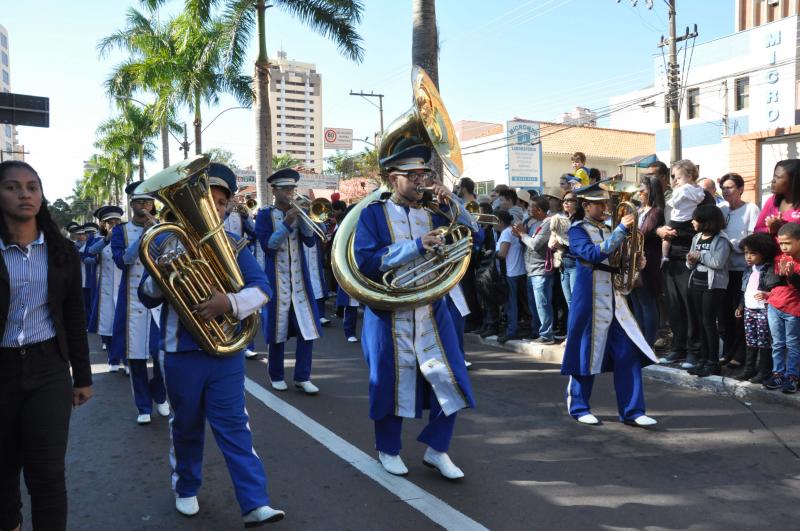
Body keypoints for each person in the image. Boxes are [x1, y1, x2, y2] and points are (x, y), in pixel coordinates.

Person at [138, 161, 284, 525]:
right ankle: (186, 487)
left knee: (235, 427)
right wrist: (165, 273)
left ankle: (255, 502)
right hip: (181, 354)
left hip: (225, 353)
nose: (214, 209)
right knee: (186, 426)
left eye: (220, 203)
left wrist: (228, 304)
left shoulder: (234, 244)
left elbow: (262, 289)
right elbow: (147, 296)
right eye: (210, 200)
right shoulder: (164, 242)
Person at [352, 144, 477, 479]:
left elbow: (472, 233)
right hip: (388, 310)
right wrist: (416, 246)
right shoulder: (373, 214)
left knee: (451, 378)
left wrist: (452, 202)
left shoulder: (436, 212)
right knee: (389, 382)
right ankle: (388, 449)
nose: (422, 180)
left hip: (433, 309)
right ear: (395, 179)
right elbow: (367, 261)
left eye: (424, 174)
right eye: (414, 176)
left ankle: (438, 450)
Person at [0, 160, 93, 531]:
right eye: (12, 187)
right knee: (3, 474)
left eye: (32, 186)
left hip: (48, 369)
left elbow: (73, 315)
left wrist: (82, 377)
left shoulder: (61, 251)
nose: (24, 193)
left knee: (48, 474)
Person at [561, 187, 658, 427]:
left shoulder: (607, 229)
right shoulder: (577, 230)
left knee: (628, 354)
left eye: (606, 203)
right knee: (585, 352)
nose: (605, 208)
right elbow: (594, 254)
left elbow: (617, 260)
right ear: (586, 206)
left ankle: (633, 412)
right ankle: (579, 406)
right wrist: (621, 230)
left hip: (615, 300)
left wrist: (635, 261)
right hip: (590, 300)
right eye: (600, 204)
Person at [255, 168, 321, 395]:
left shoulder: (299, 212)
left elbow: (311, 242)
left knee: (307, 329)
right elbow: (268, 246)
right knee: (277, 330)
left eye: (292, 188)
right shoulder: (265, 215)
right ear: (274, 191)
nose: (289, 193)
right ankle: (276, 374)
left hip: (300, 280)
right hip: (276, 279)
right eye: (284, 189)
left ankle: (303, 376)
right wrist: (286, 222)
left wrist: (302, 218)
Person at [110, 182, 169, 424]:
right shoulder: (120, 231)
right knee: (135, 356)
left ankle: (161, 394)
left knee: (161, 352)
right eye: (140, 203)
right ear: (132, 205)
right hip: (132, 300)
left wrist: (158, 231)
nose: (145, 207)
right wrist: (144, 234)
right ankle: (143, 406)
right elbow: (122, 261)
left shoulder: (162, 226)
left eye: (148, 202)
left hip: (158, 297)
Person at [656, 160, 713, 367]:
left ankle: (693, 350)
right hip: (670, 258)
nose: (673, 181)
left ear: (690, 175)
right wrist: (660, 231)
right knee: (674, 307)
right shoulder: (673, 195)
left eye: (676, 176)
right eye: (672, 176)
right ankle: (678, 348)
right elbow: (661, 223)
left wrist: (678, 232)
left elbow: (708, 226)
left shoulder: (703, 196)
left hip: (689, 258)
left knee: (691, 307)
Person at [719, 173, 760, 367]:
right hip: (723, 269)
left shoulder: (751, 209)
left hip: (743, 269)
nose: (725, 191)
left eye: (730, 187)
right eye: (723, 188)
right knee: (725, 312)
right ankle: (727, 350)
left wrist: (731, 243)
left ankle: (740, 354)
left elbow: (752, 240)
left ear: (741, 189)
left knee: (740, 312)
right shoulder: (722, 210)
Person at [685, 205, 732, 377]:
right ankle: (702, 360)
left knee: (708, 322)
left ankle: (713, 362)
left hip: (714, 286)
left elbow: (718, 263)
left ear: (706, 221)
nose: (692, 222)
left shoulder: (722, 240)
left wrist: (699, 256)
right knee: (699, 322)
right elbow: (690, 263)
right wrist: (690, 260)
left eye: (696, 219)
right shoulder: (697, 237)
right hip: (696, 282)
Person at [762, 222, 800, 393]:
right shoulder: (778, 257)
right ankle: (777, 374)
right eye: (781, 243)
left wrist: (792, 275)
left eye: (788, 243)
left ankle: (792, 377)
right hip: (774, 307)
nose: (784, 247)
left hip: (794, 310)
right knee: (777, 343)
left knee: (792, 344)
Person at [735, 233, 778, 382]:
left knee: (764, 341)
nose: (748, 256)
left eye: (753, 253)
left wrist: (767, 295)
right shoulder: (749, 270)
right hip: (749, 310)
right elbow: (744, 290)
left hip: (764, 310)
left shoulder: (770, 269)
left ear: (764, 253)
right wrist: (741, 306)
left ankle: (764, 371)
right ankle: (749, 369)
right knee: (750, 340)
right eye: (746, 253)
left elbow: (776, 289)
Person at [86, 206, 125, 369]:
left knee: (124, 324)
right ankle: (112, 358)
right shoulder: (98, 239)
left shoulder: (125, 236)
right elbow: (88, 255)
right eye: (110, 222)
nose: (114, 224)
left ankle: (126, 360)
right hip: (106, 288)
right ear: (103, 225)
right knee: (106, 324)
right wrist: (106, 240)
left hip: (123, 285)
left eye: (117, 221)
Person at [628, 176, 666, 346]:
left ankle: (648, 342)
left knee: (646, 302)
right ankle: (639, 340)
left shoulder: (656, 211)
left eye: (643, 189)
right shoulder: (639, 210)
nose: (639, 193)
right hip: (634, 259)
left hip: (648, 260)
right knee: (635, 301)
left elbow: (642, 232)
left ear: (652, 191)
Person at [513, 196, 554, 344]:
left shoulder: (548, 224)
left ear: (539, 210)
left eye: (531, 207)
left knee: (542, 304)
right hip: (532, 271)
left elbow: (535, 244)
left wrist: (523, 234)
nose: (528, 209)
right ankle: (537, 332)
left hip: (541, 271)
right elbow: (527, 243)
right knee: (534, 305)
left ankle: (547, 335)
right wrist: (519, 235)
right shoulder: (535, 223)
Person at [661, 162, 705, 267]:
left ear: (689, 177)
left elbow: (673, 203)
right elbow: (700, 199)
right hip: (690, 219)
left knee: (666, 238)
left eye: (678, 178)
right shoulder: (698, 189)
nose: (676, 181)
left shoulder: (682, 189)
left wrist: (675, 191)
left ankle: (664, 256)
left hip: (677, 219)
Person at [496, 210, 526, 343]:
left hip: (511, 272)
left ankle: (511, 330)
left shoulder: (506, 232)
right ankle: (522, 328)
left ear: (500, 222)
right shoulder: (513, 230)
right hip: (520, 270)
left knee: (511, 303)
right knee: (520, 303)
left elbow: (502, 253)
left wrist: (492, 253)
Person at [754, 159, 800, 238]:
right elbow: (757, 230)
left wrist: (783, 228)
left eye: (778, 177)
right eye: (774, 176)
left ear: (794, 180)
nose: (773, 181)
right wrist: (770, 229)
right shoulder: (771, 201)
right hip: (772, 250)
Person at [557, 191, 582, 308]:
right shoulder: (562, 219)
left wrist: (562, 245)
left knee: (575, 301)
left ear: (577, 203)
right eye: (564, 200)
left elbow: (578, 245)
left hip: (575, 263)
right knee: (569, 302)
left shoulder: (581, 221)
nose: (566, 202)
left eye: (570, 200)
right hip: (564, 264)